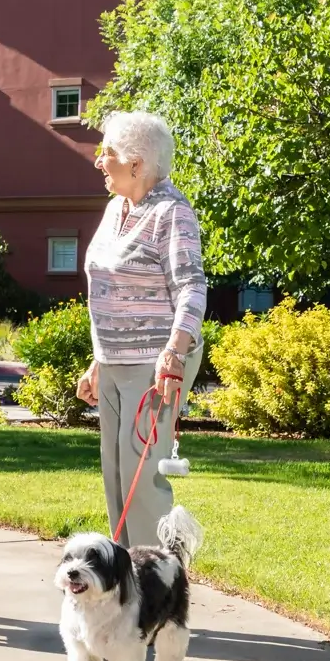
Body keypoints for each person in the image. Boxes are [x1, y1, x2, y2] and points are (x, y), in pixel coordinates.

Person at [76, 110, 208, 548]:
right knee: (116, 477)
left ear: (137, 164)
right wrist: (98, 361)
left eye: (108, 153)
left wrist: (173, 353)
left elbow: (191, 286)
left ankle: (156, 589)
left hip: (153, 364)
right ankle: (127, 585)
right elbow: (105, 286)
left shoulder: (173, 212)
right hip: (114, 363)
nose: (100, 161)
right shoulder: (117, 208)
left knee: (141, 481)